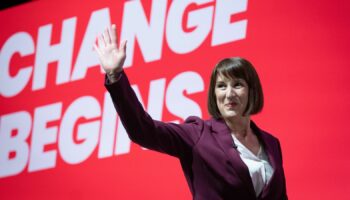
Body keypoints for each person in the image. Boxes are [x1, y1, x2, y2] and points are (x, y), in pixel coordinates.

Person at [94, 25, 288, 200]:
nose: (229, 94)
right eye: (221, 86)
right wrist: (115, 76)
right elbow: (143, 130)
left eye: (237, 85)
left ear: (252, 90)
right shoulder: (198, 134)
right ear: (214, 94)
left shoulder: (271, 143)